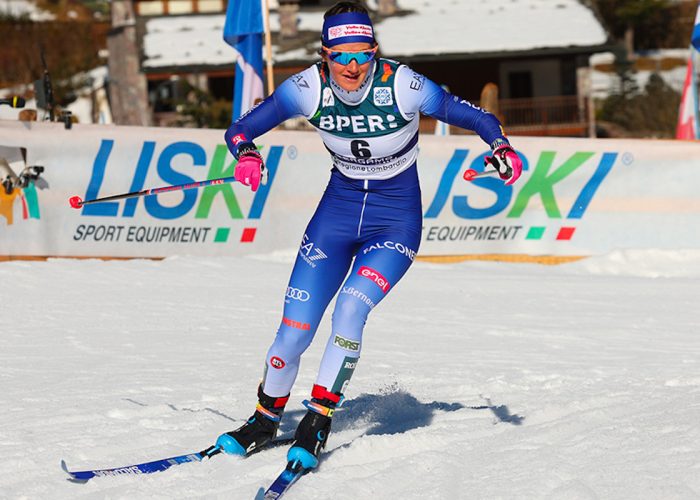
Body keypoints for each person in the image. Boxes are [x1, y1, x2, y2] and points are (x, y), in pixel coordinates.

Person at [216, 0, 523, 470]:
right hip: (335, 217)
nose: (353, 67)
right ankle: (264, 419)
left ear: (376, 51)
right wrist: (248, 156)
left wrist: (500, 146)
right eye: (341, 56)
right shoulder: (305, 89)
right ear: (325, 55)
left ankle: (317, 421)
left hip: (395, 221)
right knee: (292, 334)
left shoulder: (404, 84)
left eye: (363, 54)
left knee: (349, 308)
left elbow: (477, 117)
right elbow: (240, 130)